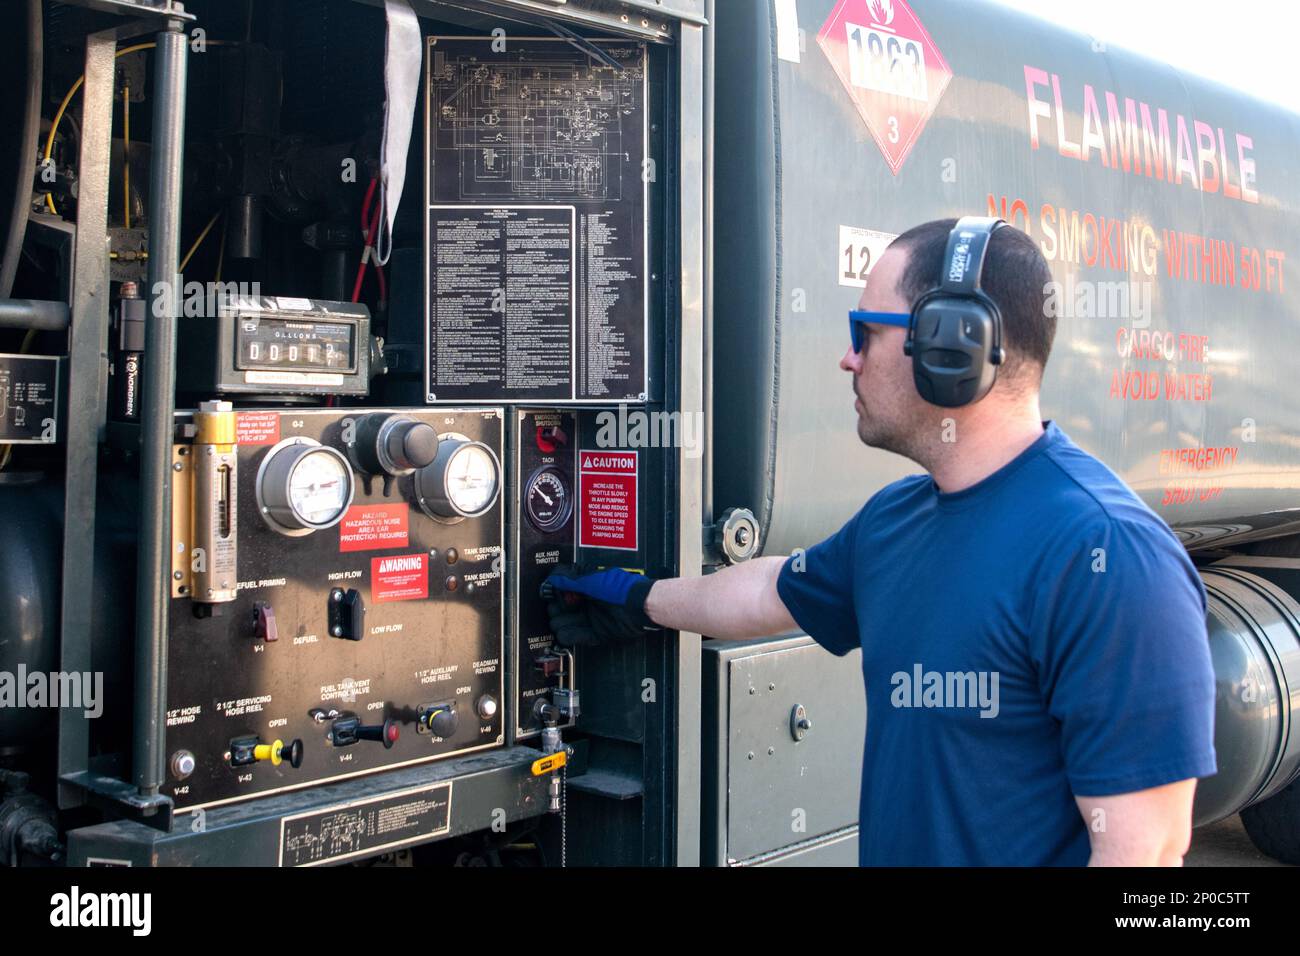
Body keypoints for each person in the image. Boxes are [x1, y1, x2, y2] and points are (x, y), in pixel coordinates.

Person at [544, 218, 1217, 866]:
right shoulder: (896, 521)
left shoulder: (1109, 557)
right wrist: (635, 597)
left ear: (951, 346)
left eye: (865, 333)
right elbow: (764, 591)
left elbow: (1145, 851)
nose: (848, 357)